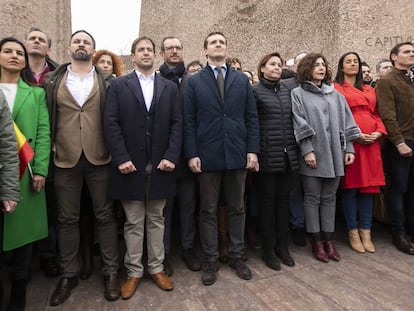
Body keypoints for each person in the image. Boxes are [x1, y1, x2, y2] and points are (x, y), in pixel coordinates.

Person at [44, 30, 120, 306]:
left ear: (93, 49)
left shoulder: (108, 81)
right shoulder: (54, 81)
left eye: (86, 42)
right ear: (69, 47)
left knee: (105, 216)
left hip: (100, 157)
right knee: (67, 219)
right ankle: (68, 274)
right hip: (64, 159)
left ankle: (111, 272)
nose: (81, 44)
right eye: (77, 41)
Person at [104, 36, 181, 298]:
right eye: (141, 50)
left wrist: (171, 155)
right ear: (133, 56)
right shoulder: (119, 85)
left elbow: (177, 124)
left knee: (157, 219)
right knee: (134, 221)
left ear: (156, 55)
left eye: (150, 49)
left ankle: (156, 268)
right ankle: (134, 272)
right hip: (130, 166)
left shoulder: (169, 87)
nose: (146, 53)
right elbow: (111, 123)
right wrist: (121, 157)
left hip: (161, 165)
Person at [184, 31, 260, 285]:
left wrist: (252, 150)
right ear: (205, 51)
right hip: (207, 156)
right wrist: (192, 153)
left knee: (238, 207)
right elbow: (189, 121)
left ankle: (237, 256)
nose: (219, 45)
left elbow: (251, 117)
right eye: (213, 42)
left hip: (238, 153)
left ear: (227, 49)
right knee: (207, 209)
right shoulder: (194, 82)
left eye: (222, 42)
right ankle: (211, 258)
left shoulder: (240, 80)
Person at [291, 53, 360, 263]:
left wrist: (349, 149)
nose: (321, 68)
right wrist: (307, 150)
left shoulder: (335, 94)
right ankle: (316, 241)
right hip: (313, 154)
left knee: (330, 198)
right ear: (307, 68)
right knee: (312, 197)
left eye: (323, 65)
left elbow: (348, 122)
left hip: (335, 154)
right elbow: (299, 122)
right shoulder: (298, 93)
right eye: (316, 65)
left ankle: (329, 240)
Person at [0, 37, 50, 310]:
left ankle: (20, 286)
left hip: (25, 169)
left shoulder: (36, 93)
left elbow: (43, 133)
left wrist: (41, 168)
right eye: (7, 51)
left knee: (23, 235)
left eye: (19, 53)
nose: (14, 56)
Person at [77, 49, 124, 281]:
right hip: (81, 156)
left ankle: (111, 264)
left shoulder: (117, 87)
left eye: (109, 63)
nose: (106, 65)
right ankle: (86, 258)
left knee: (108, 212)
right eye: (102, 62)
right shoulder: (83, 84)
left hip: (110, 157)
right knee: (84, 212)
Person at [334, 52, 387, 253]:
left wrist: (378, 132)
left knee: (369, 189)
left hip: (371, 143)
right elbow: (338, 116)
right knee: (351, 188)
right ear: (341, 66)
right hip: (352, 144)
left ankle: (367, 230)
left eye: (355, 61)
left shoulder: (368, 88)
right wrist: (355, 134)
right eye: (348, 61)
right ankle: (353, 231)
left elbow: (375, 114)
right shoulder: (336, 88)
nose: (352, 64)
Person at [252, 52, 298, 270]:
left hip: (288, 157)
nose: (277, 68)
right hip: (267, 157)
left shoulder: (288, 91)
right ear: (262, 68)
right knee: (267, 205)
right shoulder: (255, 92)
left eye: (279, 65)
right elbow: (252, 125)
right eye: (272, 64)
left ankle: (283, 247)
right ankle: (268, 250)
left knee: (284, 204)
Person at [158, 36, 201, 275]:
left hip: (187, 155)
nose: (174, 51)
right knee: (164, 210)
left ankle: (187, 248)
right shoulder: (154, 79)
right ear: (162, 52)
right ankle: (162, 254)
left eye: (178, 47)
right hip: (163, 156)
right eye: (169, 48)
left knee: (188, 205)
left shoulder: (192, 81)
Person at [24, 26, 60, 278]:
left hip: (50, 148)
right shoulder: (13, 73)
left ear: (48, 48)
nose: (36, 42)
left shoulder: (58, 76)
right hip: (17, 149)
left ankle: (48, 255)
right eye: (32, 39)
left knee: (49, 205)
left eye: (41, 40)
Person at [376, 42, 414, 255]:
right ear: (393, 57)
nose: (412, 54)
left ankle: (411, 229)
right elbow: (388, 115)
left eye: (413, 52)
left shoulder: (411, 78)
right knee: (399, 189)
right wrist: (399, 142)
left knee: (412, 190)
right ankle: (399, 233)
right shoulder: (387, 81)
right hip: (401, 143)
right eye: (407, 51)